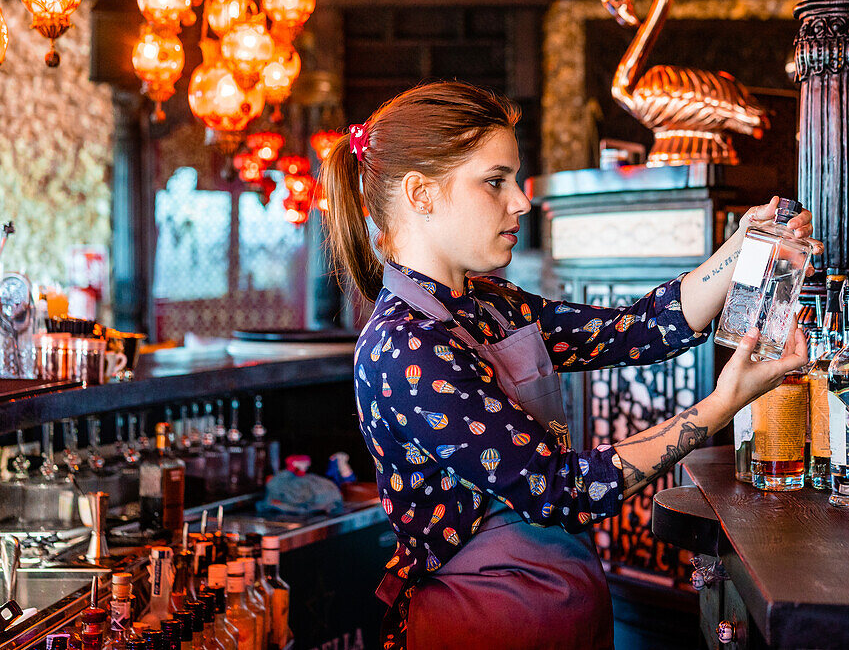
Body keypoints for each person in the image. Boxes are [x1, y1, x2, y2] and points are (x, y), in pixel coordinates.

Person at [321, 81, 818, 650]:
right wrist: (722, 405)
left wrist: (740, 248)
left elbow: (632, 330)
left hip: (560, 610)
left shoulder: (491, 303)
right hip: (486, 624)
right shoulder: (403, 348)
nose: (521, 202)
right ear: (421, 194)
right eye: (495, 181)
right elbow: (559, 489)